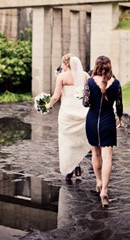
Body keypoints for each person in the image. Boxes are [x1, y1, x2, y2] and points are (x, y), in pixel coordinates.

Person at [83, 55, 123, 207]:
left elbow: (86, 103)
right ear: (109, 66)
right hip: (108, 122)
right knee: (108, 157)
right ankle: (105, 190)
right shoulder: (116, 83)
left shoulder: (90, 82)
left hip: (92, 121)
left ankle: (98, 181)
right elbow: (119, 104)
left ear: (97, 66)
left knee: (95, 153)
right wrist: (119, 118)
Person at [46, 53, 90, 181]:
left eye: (62, 63)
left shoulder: (61, 77)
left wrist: (48, 105)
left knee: (67, 141)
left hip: (67, 113)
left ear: (66, 64)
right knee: (79, 140)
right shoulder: (85, 75)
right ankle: (77, 164)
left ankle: (69, 169)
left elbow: (55, 96)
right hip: (82, 112)